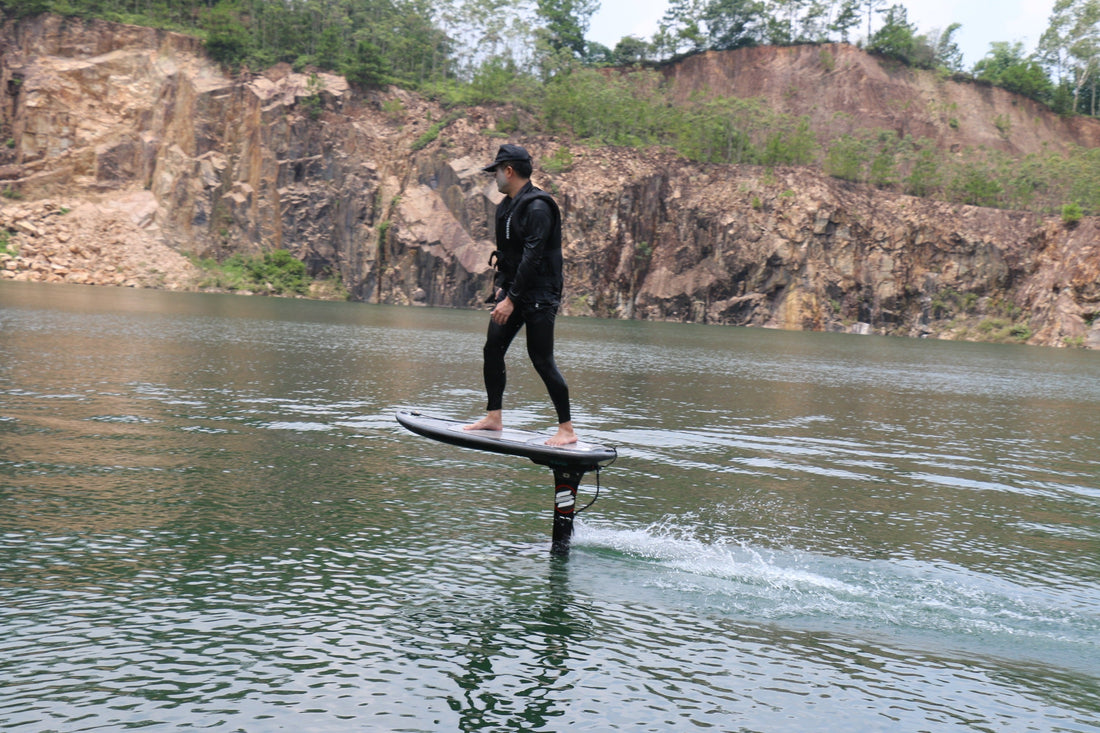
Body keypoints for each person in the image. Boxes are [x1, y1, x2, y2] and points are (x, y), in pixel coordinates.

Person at [464, 144, 576, 446]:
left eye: (496, 172)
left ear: (509, 171)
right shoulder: (507, 207)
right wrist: (503, 287)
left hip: (540, 294)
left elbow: (533, 257)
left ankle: (566, 429)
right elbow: (508, 255)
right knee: (493, 349)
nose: (495, 178)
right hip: (515, 291)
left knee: (541, 359)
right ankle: (494, 416)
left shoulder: (538, 207)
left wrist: (511, 300)